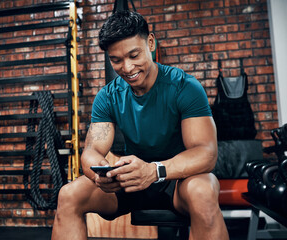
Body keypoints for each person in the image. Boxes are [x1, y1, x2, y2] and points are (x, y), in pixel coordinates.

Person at [52, 10, 229, 240]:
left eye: (134, 55)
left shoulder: (184, 87)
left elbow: (206, 153)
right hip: (130, 184)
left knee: (204, 191)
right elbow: (92, 151)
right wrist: (101, 174)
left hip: (177, 182)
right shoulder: (108, 96)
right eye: (116, 60)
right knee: (69, 195)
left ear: (151, 43)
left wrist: (154, 170)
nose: (127, 68)